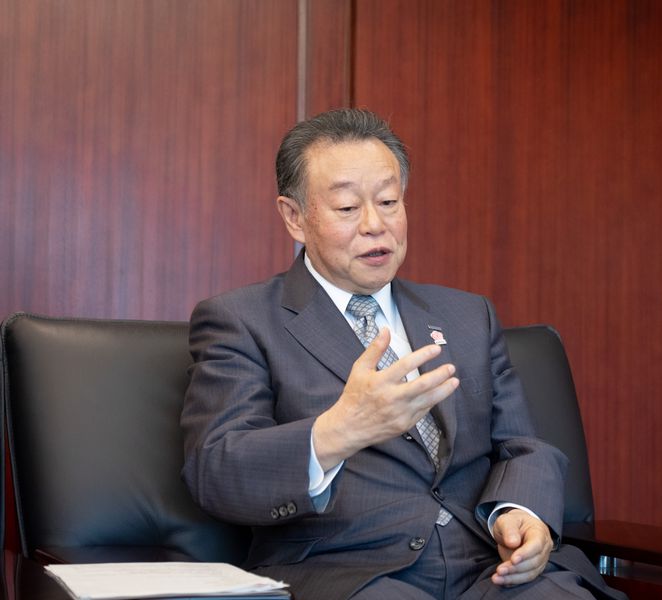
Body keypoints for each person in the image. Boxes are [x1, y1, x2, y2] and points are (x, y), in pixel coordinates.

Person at [181, 108, 626, 600]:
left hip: (490, 568)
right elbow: (217, 471)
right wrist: (339, 430)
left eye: (389, 201)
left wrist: (520, 512)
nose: (376, 225)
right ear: (294, 217)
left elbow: (522, 445)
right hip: (351, 576)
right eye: (347, 208)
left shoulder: (467, 316)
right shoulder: (242, 320)